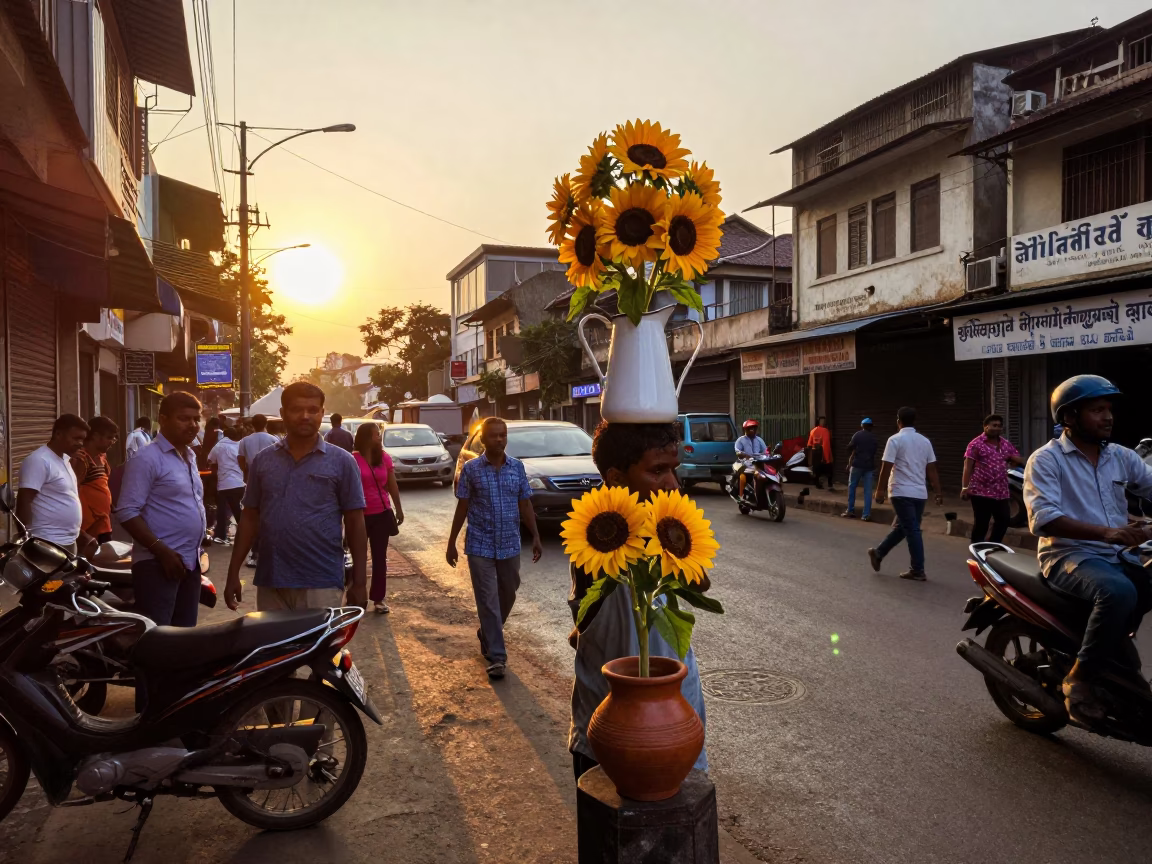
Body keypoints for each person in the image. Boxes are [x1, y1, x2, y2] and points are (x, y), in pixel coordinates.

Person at [569, 422, 709, 782]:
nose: (672, 484)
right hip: (611, 731)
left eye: (673, 470)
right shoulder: (599, 539)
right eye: (657, 471)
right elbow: (590, 608)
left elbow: (700, 580)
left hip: (677, 720)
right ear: (615, 478)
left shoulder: (663, 526)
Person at [1024, 375, 1152, 724]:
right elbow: (1045, 519)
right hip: (1068, 555)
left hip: (1115, 556)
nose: (1108, 417)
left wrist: (1128, 531)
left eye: (1109, 409)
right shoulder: (1047, 460)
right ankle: (1078, 679)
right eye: (1097, 410)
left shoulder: (1121, 457)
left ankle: (1112, 650)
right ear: (1069, 417)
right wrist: (1108, 533)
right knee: (1118, 592)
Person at [224, 382, 368, 612]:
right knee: (275, 648)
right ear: (282, 414)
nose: (305, 416)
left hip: (321, 581)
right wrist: (233, 573)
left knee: (318, 648)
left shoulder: (342, 462)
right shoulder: (263, 461)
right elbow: (249, 518)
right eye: (296, 409)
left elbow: (355, 522)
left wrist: (360, 582)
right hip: (272, 580)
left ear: (322, 413)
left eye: (313, 410)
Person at [446, 417, 543, 680]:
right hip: (480, 545)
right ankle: (497, 657)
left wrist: (535, 536)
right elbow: (462, 506)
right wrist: (452, 542)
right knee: (487, 601)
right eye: (494, 436)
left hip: (510, 543)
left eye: (503, 435)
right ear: (484, 440)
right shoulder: (472, 469)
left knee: (509, 593)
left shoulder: (517, 468)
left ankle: (488, 632)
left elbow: (525, 504)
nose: (500, 440)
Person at [115, 392, 207, 627]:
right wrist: (161, 551)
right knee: (158, 638)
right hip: (158, 564)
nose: (193, 425)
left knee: (184, 637)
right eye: (184, 418)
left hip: (189, 560)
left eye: (196, 419)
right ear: (163, 419)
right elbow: (126, 511)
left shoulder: (189, 456)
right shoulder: (147, 457)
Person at [868, 406, 943, 581]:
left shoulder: (894, 440)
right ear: (914, 421)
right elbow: (931, 469)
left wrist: (879, 491)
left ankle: (917, 569)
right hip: (919, 493)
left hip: (900, 491)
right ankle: (879, 553)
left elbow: (886, 466)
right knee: (907, 527)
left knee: (911, 529)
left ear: (898, 421)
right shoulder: (925, 441)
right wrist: (938, 492)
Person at [16, 414, 93, 555]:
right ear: (58, 434)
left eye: (82, 439)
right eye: (76, 438)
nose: (81, 443)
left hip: (68, 542)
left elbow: (65, 496)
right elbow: (24, 501)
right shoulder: (39, 460)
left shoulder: (65, 459)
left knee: (67, 578)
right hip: (46, 543)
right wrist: (27, 541)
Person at [353, 422, 404, 614]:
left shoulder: (384, 458)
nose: (379, 437)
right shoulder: (353, 460)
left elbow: (392, 486)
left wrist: (398, 509)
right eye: (375, 434)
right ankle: (357, 596)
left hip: (382, 514)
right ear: (366, 437)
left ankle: (378, 598)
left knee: (379, 558)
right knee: (358, 557)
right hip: (358, 515)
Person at [961, 413, 1025, 543]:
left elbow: (1018, 459)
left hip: (1001, 491)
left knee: (1004, 520)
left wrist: (1013, 458)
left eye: (999, 426)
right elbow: (967, 467)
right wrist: (965, 487)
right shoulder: (975, 444)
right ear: (985, 427)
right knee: (981, 523)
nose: (997, 428)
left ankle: (993, 545)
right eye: (993, 425)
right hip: (980, 491)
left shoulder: (1005, 444)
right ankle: (976, 550)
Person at [236, 413, 279, 568]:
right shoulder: (274, 439)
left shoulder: (245, 441)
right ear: (266, 423)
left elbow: (240, 459)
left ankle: (255, 553)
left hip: (252, 482)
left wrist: (247, 473)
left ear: (252, 425)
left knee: (253, 517)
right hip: (272, 483)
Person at [72, 415, 119, 545]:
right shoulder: (82, 459)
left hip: (104, 521)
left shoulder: (102, 457)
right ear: (96, 436)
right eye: (109, 437)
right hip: (90, 526)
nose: (112, 441)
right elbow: (73, 490)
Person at [208, 426, 245, 546]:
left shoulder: (219, 446)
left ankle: (221, 535)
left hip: (224, 484)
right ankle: (247, 533)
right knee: (238, 510)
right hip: (239, 483)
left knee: (222, 511)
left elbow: (210, 460)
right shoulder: (240, 445)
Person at [842, 418, 877, 521]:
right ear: (871, 426)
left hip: (857, 465)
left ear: (862, 426)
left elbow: (849, 447)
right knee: (868, 491)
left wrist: (853, 454)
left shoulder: (857, 435)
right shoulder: (874, 437)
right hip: (869, 466)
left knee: (852, 487)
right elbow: (874, 452)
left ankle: (850, 510)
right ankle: (866, 515)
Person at [734, 418, 767, 500]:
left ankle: (760, 495)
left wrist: (768, 454)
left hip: (758, 464)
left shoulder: (759, 440)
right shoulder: (740, 440)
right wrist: (742, 455)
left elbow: (765, 451)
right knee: (742, 478)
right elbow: (737, 451)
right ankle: (741, 496)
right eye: (750, 428)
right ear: (745, 429)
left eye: (754, 428)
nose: (752, 430)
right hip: (746, 465)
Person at [807, 416, 835, 491]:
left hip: (815, 452)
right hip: (823, 452)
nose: (824, 422)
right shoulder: (825, 431)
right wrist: (827, 458)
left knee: (816, 469)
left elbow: (809, 444)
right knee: (829, 468)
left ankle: (817, 484)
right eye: (824, 421)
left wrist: (810, 457)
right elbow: (826, 444)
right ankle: (829, 483)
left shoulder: (812, 431)